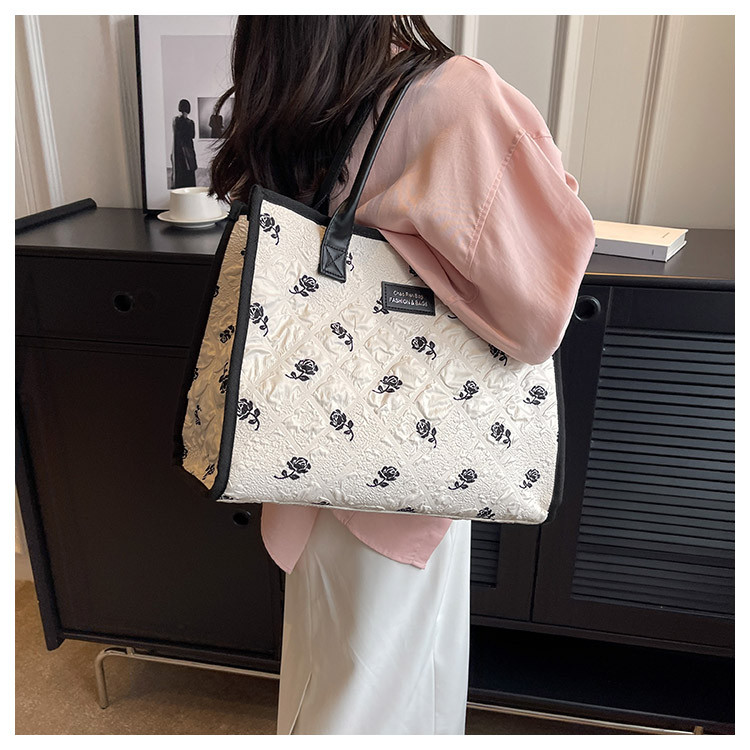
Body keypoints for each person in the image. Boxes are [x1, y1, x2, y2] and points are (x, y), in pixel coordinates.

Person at [209, 16, 596, 735]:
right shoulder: (449, 96)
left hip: (312, 456)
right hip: (408, 467)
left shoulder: (306, 93)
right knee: (385, 704)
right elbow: (538, 316)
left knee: (333, 687)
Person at [171, 98, 197, 188]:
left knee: (180, 170)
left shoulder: (175, 120)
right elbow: (192, 135)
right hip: (187, 148)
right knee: (189, 169)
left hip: (178, 149)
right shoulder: (190, 122)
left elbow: (178, 134)